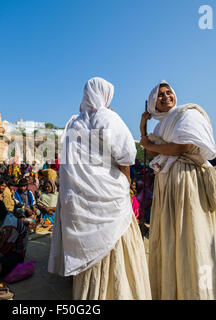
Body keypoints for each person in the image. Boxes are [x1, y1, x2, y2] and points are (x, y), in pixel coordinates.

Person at [139, 80, 216, 300]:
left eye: (169, 92)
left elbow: (180, 147)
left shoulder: (188, 114)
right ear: (151, 103)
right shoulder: (159, 126)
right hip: (169, 184)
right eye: (160, 95)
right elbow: (152, 147)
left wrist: (149, 145)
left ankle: (198, 291)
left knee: (193, 234)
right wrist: (142, 127)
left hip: (189, 181)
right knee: (172, 238)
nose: (166, 97)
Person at [48, 77, 151, 300]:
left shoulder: (73, 124)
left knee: (89, 251)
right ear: (106, 95)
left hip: (79, 199)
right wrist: (126, 187)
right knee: (115, 248)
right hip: (110, 196)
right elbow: (125, 158)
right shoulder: (109, 118)